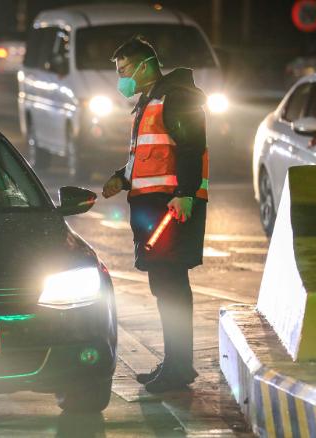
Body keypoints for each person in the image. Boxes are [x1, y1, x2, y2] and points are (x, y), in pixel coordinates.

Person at [102, 36, 209, 393]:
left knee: (172, 286)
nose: (122, 79)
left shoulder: (176, 97)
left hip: (171, 207)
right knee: (165, 286)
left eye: (124, 70)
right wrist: (122, 177)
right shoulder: (149, 101)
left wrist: (185, 194)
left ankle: (179, 368)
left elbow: (192, 147)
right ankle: (176, 363)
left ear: (145, 65)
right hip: (152, 206)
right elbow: (147, 156)